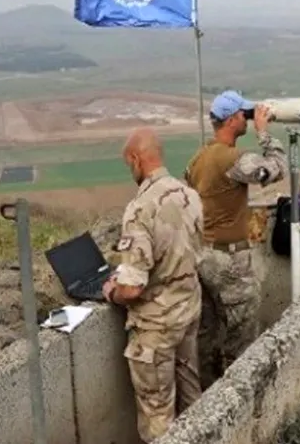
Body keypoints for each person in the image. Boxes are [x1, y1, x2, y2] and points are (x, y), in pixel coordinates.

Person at [103, 127, 204, 443]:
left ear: (136, 159)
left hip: (156, 327)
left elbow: (132, 288)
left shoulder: (140, 209)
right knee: (193, 398)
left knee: (158, 414)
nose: (130, 170)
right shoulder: (188, 194)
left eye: (128, 164)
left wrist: (113, 291)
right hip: (188, 309)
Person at [183, 90, 288, 387]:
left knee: (208, 330)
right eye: (245, 115)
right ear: (231, 120)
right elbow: (277, 168)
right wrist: (264, 133)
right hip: (229, 260)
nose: (248, 119)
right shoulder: (234, 159)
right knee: (242, 330)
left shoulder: (199, 158)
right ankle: (238, 392)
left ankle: (206, 393)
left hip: (203, 255)